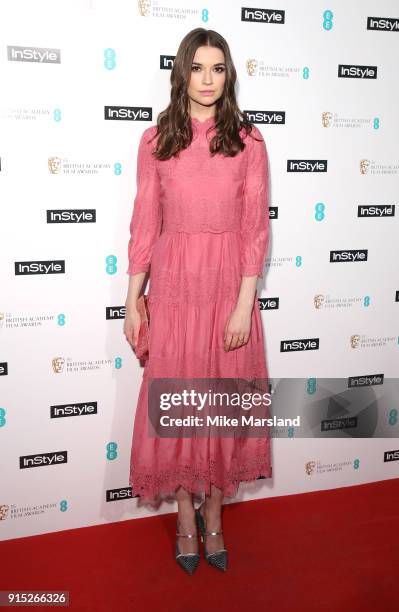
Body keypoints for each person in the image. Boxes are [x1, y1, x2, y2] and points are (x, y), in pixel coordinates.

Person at [123, 27, 271, 575]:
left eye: (218, 68)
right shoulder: (156, 140)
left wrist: (242, 304)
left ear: (228, 75)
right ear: (181, 71)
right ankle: (185, 514)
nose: (207, 80)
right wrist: (134, 300)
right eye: (198, 68)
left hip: (228, 288)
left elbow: (256, 229)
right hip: (178, 288)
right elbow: (143, 224)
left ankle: (215, 513)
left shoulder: (249, 141)